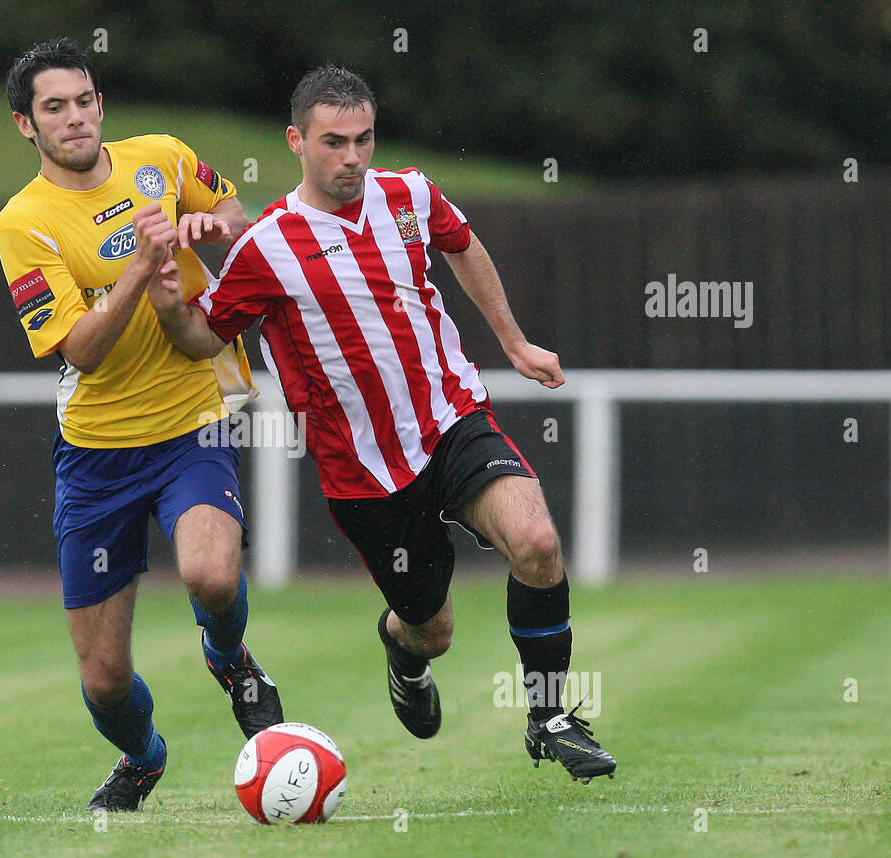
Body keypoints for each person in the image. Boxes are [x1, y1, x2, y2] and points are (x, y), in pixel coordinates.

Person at [148, 65, 616, 783]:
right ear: (296, 142)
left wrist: (514, 342)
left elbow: (462, 244)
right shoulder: (265, 247)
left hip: (452, 421)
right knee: (434, 630)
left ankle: (549, 714)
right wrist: (165, 298)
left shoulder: (410, 194)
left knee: (538, 541)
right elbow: (203, 340)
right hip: (363, 473)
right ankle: (403, 651)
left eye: (364, 139)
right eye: (334, 142)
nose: (353, 158)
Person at [0, 38, 284, 812]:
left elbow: (230, 207)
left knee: (211, 574)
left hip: (193, 419)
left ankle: (232, 660)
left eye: (84, 100)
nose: (76, 117)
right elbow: (81, 352)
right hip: (95, 456)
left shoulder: (158, 157)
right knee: (104, 679)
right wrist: (134, 271)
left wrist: (209, 229)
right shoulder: (24, 223)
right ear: (27, 125)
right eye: (54, 107)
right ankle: (145, 758)